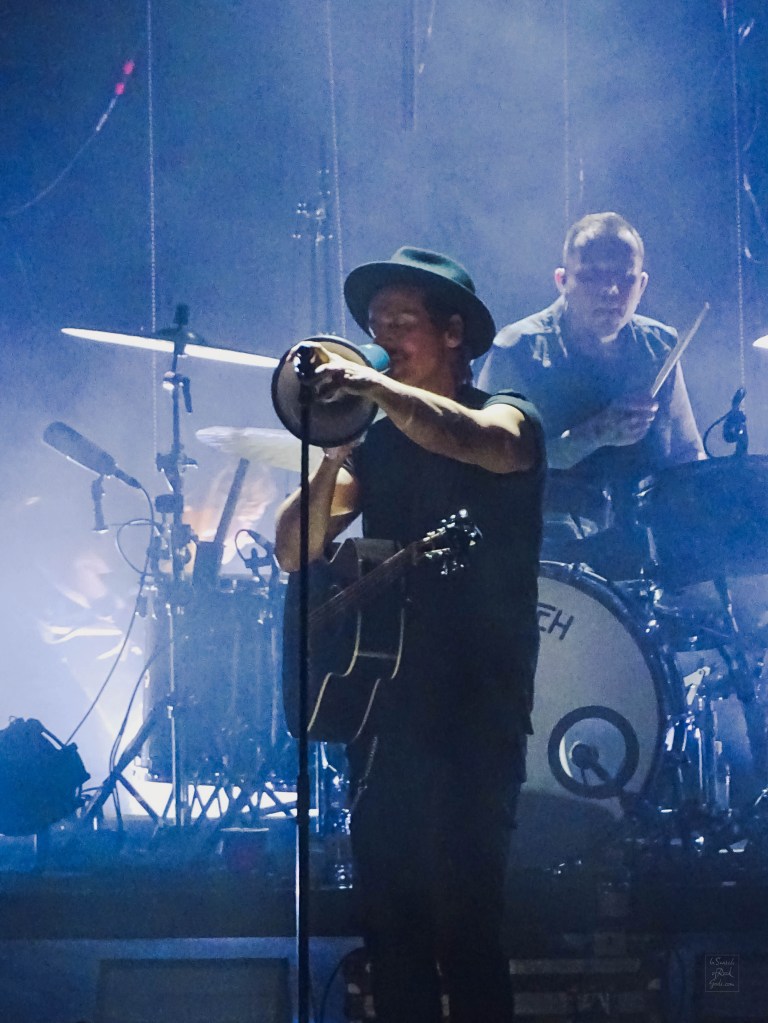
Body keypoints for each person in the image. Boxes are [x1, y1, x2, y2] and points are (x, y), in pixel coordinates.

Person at [274, 247, 546, 1023]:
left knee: (468, 920)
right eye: (374, 324)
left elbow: (473, 440)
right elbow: (295, 549)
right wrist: (331, 454)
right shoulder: (380, 438)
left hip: (479, 698)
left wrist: (375, 387)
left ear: (454, 333)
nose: (382, 335)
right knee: (392, 923)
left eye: (402, 321)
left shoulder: (511, 413)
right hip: (385, 704)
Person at [479, 211, 704, 577]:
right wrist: (596, 434)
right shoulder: (518, 349)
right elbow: (486, 462)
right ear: (562, 280)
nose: (610, 291)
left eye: (624, 278)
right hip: (542, 554)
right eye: (592, 276)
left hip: (640, 553)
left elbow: (685, 451)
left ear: (642, 284)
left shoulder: (660, 347)